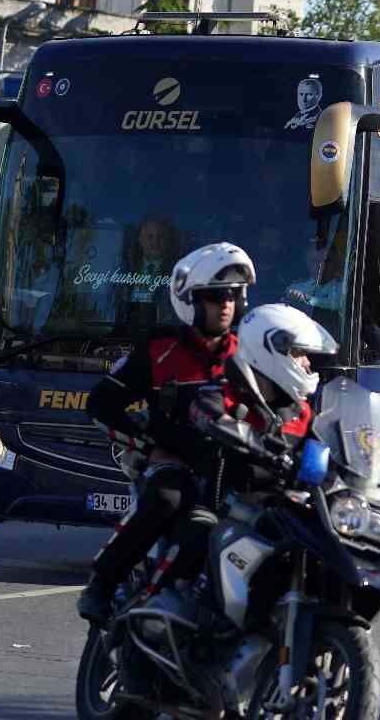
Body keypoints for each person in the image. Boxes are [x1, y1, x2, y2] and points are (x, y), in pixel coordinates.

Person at [76, 242, 257, 623]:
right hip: (173, 467)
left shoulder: (248, 355)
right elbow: (100, 405)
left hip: (229, 475)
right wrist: (147, 446)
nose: (226, 304)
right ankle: (104, 583)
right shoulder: (159, 349)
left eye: (233, 296)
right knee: (168, 500)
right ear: (192, 300)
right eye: (214, 296)